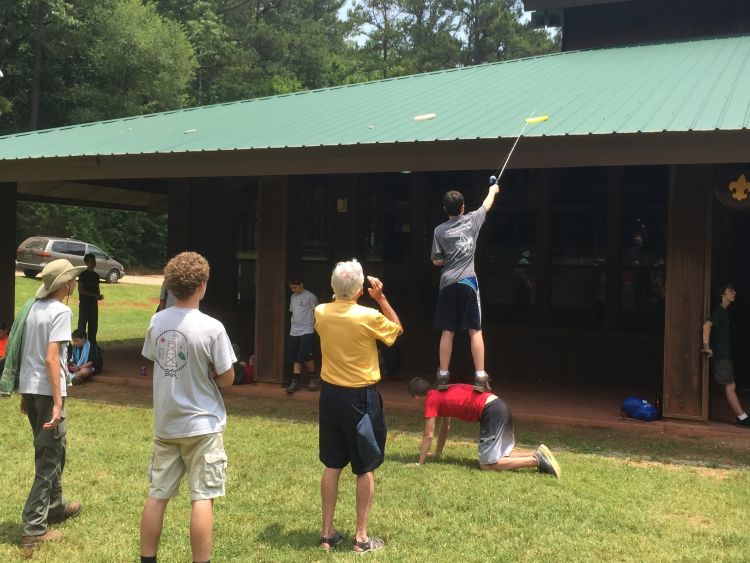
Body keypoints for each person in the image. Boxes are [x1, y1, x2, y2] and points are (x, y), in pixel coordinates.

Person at [139, 252, 236, 563]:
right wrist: (211, 374)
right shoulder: (212, 327)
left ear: (170, 286)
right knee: (203, 497)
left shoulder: (157, 321)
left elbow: (156, 358)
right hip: (202, 425)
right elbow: (228, 378)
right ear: (202, 285)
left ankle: (147, 558)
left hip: (166, 423)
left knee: (157, 495)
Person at [314, 260, 402, 554]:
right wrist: (382, 299)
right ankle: (361, 538)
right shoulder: (369, 316)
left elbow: (335, 304)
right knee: (365, 467)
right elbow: (396, 331)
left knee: (332, 464)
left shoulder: (321, 312)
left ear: (332, 286)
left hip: (330, 396)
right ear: (360, 290)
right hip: (360, 398)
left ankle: (327, 534)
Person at [18, 259, 85, 548]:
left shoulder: (33, 308)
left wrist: (25, 395)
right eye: (73, 278)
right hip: (47, 393)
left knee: (55, 450)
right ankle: (33, 528)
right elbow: (50, 358)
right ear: (65, 284)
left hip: (32, 390)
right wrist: (58, 403)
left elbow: (26, 352)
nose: (75, 282)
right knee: (48, 458)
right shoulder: (61, 311)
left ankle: (55, 507)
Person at [407, 377, 561, 477]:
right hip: (499, 405)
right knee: (501, 454)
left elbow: (428, 434)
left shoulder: (431, 401)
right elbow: (445, 426)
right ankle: (537, 453)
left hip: (491, 410)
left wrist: (420, 463)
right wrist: (437, 453)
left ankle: (536, 460)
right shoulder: (440, 392)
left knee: (487, 465)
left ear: (416, 397)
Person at [432, 182, 501, 392]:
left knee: (448, 330)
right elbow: (486, 204)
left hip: (447, 284)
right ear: (463, 207)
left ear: (445, 209)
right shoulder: (472, 220)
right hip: (468, 282)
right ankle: (480, 376)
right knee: (475, 329)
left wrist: (449, 258)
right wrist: (493, 190)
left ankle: (443, 376)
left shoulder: (439, 230)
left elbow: (436, 261)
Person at [702, 283, 750, 428]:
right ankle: (742, 418)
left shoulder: (724, 312)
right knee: (730, 386)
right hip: (721, 356)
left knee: (731, 385)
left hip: (725, 355)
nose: (734, 292)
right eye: (731, 290)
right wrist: (707, 347)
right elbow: (706, 325)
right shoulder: (719, 311)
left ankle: (742, 417)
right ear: (723, 294)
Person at [286, 275, 320, 393]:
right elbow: (293, 312)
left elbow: (317, 312)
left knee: (306, 354)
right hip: (294, 330)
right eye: (291, 288)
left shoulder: (310, 296)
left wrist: (316, 327)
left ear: (301, 284)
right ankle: (295, 381)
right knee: (295, 355)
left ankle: (313, 377)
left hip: (307, 329)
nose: (293, 290)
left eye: (295, 287)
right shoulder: (293, 297)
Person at [77, 253, 103, 344]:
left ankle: (92, 345)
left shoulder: (96, 276)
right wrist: (93, 295)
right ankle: (80, 345)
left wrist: (98, 296)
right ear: (86, 263)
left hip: (93, 304)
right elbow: (80, 290)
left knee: (93, 326)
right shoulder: (82, 275)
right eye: (91, 261)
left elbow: (97, 289)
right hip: (84, 304)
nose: (94, 263)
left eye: (94, 261)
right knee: (82, 325)